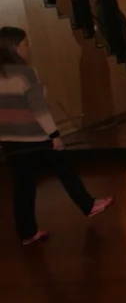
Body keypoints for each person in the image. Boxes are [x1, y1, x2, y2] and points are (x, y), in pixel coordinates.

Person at [0, 26, 113, 245]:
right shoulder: (26, 73)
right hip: (35, 137)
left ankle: (27, 233)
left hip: (10, 141)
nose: (28, 48)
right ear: (14, 47)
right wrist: (54, 134)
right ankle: (88, 205)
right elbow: (39, 109)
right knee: (64, 167)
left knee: (23, 187)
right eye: (25, 43)